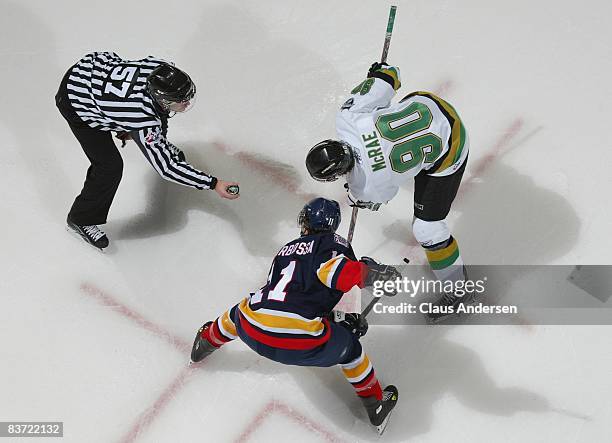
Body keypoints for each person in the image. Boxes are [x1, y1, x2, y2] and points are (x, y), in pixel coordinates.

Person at [190, 197, 400, 434]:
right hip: (299, 342)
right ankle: (376, 404)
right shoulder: (331, 245)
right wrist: (374, 273)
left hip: (252, 328)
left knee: (238, 314)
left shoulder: (285, 250)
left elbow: (292, 299)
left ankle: (206, 341)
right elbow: (340, 273)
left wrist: (337, 320)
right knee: (352, 351)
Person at [305, 63, 471, 322]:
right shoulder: (348, 116)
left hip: (452, 142)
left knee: (428, 229)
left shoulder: (367, 187)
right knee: (389, 125)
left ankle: (459, 290)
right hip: (429, 104)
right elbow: (389, 75)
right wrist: (378, 72)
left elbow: (375, 198)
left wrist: (355, 192)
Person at [55, 51, 239, 250]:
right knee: (109, 167)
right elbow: (167, 168)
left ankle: (123, 120)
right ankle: (80, 219)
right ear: (161, 99)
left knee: (148, 124)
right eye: (181, 101)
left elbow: (153, 115)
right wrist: (213, 183)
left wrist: (129, 123)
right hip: (75, 100)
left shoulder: (161, 67)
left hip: (93, 68)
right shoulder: (142, 118)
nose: (186, 104)